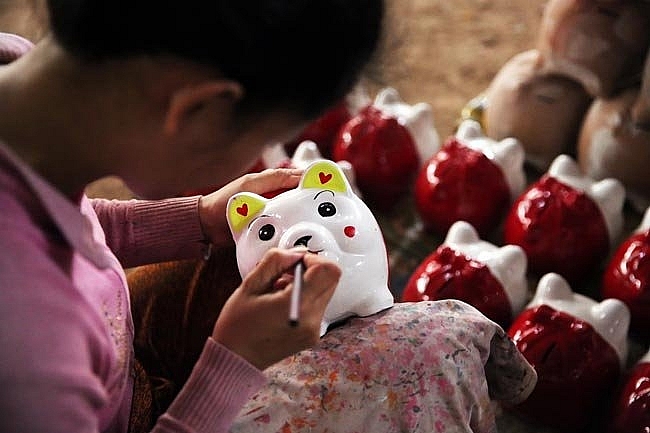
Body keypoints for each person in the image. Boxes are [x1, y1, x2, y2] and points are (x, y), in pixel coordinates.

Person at [0, 1, 385, 432]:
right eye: (263, 140)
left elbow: (78, 219)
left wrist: (198, 217)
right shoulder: (29, 357)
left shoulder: (21, 86)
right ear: (200, 111)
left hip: (114, 364)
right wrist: (235, 362)